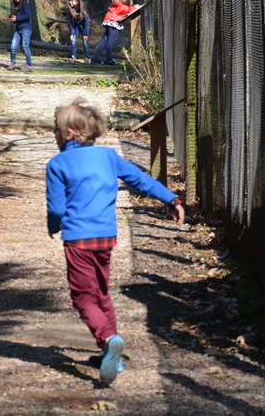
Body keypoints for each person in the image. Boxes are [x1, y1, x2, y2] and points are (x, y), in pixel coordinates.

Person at [46, 100, 185, 384]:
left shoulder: (58, 163)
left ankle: (108, 339)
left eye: (57, 130)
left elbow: (57, 209)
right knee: (101, 294)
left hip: (78, 241)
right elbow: (141, 180)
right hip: (106, 239)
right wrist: (171, 199)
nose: (55, 135)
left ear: (70, 133)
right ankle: (113, 356)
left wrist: (53, 226)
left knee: (83, 298)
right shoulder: (108, 156)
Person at [91, 0, 139, 65]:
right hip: (114, 20)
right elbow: (122, 9)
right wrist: (133, 8)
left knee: (105, 39)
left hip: (109, 18)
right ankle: (108, 59)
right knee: (111, 40)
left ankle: (95, 58)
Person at [8, 0, 33, 72]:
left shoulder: (25, 4)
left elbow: (27, 15)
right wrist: (13, 20)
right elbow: (17, 18)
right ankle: (13, 63)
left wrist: (17, 18)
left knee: (25, 46)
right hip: (18, 29)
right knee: (13, 46)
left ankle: (29, 65)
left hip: (26, 29)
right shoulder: (16, 6)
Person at [68, 0, 91, 64]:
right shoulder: (71, 9)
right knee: (73, 41)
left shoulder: (83, 9)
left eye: (72, 1)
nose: (70, 2)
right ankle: (73, 57)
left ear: (77, 1)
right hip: (75, 27)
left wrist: (85, 33)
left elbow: (87, 21)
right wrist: (72, 32)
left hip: (83, 26)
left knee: (85, 42)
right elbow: (71, 22)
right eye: (69, 1)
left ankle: (86, 58)